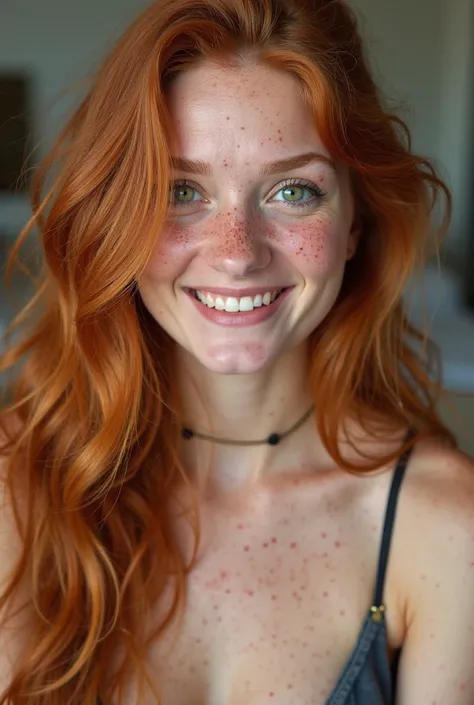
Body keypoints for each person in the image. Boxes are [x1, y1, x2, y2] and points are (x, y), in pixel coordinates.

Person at [1, 0, 474, 703]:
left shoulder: (444, 527)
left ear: (353, 222)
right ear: (118, 217)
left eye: (292, 190)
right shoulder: (20, 486)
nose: (237, 254)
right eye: (180, 191)